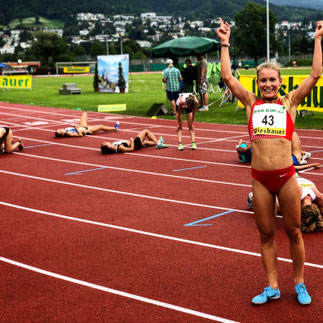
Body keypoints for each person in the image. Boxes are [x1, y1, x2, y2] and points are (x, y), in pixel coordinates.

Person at [217, 17, 323, 305]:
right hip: (260, 181)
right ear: (257, 82)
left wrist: (317, 40)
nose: (267, 84)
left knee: (294, 231)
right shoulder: (251, 103)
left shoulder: (289, 103)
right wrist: (225, 42)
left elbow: (315, 75)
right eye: (262, 80)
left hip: (287, 178)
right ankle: (273, 286)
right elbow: (227, 77)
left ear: (279, 82)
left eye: (272, 80)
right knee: (266, 235)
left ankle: (299, 284)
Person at [247, 173, 323, 233]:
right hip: (279, 181)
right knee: (273, 213)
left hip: (295, 177)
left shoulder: (320, 197)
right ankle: (254, 197)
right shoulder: (292, 196)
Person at [236, 131, 313, 165]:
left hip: (281, 156)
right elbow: (255, 142)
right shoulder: (254, 151)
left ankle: (302, 153)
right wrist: (244, 147)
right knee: (293, 134)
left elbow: (241, 142)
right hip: (291, 160)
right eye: (245, 145)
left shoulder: (246, 157)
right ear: (246, 150)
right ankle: (301, 156)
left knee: (289, 142)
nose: (246, 143)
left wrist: (240, 146)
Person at [55, 112, 119, 137]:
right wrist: (75, 127)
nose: (61, 129)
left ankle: (87, 123)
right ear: (62, 134)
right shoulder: (69, 134)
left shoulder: (66, 129)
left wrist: (77, 127)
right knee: (101, 126)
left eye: (59, 129)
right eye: (60, 131)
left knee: (84, 114)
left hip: (82, 126)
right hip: (87, 130)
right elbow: (80, 135)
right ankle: (114, 128)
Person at [101, 130, 168, 154]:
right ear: (108, 146)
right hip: (135, 144)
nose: (105, 142)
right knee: (146, 131)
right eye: (105, 143)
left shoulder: (114, 146)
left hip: (135, 144)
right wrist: (132, 141)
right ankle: (158, 143)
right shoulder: (119, 148)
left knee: (145, 143)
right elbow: (131, 149)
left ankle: (159, 141)